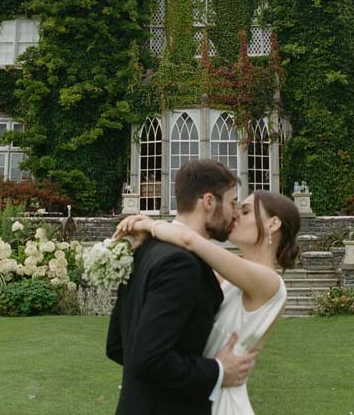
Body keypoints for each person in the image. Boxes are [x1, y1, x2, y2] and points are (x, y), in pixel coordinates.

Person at [114, 188, 302, 415]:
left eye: (245, 211)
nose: (235, 216)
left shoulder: (269, 282)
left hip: (223, 401)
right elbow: (181, 262)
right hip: (199, 390)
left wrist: (149, 225)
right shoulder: (228, 277)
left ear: (273, 224)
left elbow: (188, 240)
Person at [106, 160, 257, 415]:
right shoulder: (181, 264)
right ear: (209, 202)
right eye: (232, 202)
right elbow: (149, 359)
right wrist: (219, 370)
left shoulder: (145, 250)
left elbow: (117, 346)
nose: (234, 213)